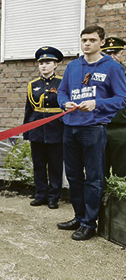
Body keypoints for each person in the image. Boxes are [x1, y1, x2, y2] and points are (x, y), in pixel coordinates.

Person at [56, 26, 126, 241]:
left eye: (92, 40)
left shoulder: (112, 67)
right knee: (74, 176)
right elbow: (62, 91)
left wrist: (96, 103)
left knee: (94, 178)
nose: (87, 44)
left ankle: (89, 223)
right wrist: (63, 103)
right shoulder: (73, 66)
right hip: (70, 126)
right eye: (84, 40)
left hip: (94, 128)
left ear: (101, 43)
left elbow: (122, 98)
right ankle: (79, 216)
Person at [23, 46, 65, 209]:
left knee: (55, 165)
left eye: (48, 62)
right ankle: (40, 194)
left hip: (56, 129)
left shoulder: (62, 83)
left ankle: (54, 196)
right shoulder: (32, 85)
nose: (44, 66)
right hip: (37, 130)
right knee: (38, 164)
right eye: (41, 63)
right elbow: (29, 110)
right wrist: (27, 131)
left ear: (55, 65)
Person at [102, 37, 126, 177]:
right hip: (100, 127)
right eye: (107, 54)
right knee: (99, 171)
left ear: (121, 54)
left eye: (115, 53)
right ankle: (100, 199)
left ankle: (119, 200)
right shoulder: (95, 75)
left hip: (121, 129)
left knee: (121, 172)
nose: (111, 57)